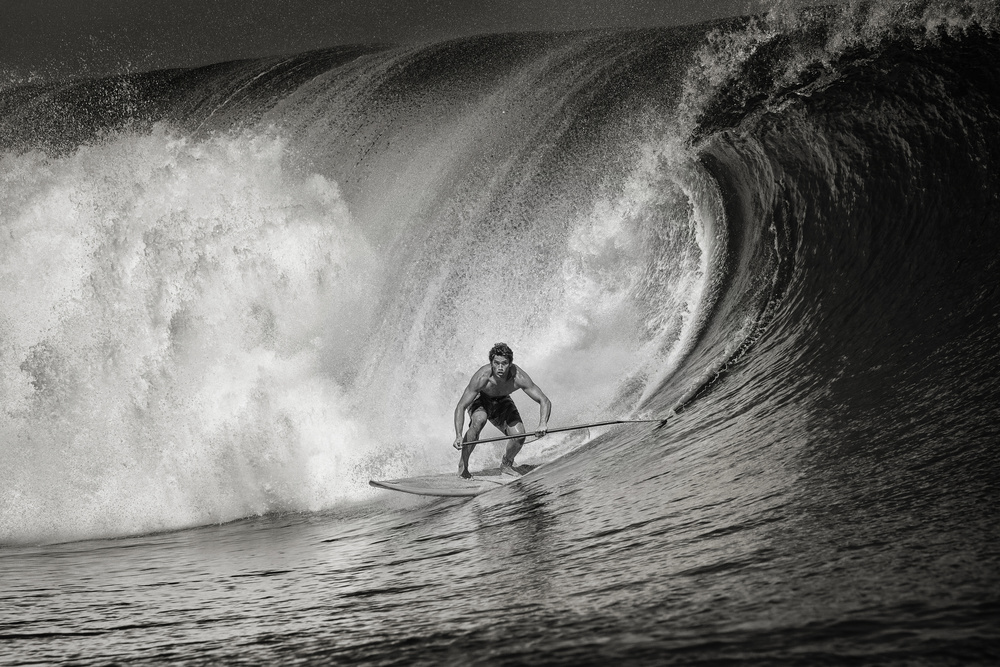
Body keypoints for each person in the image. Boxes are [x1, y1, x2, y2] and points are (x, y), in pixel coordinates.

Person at [453, 342, 551, 478]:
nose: (500, 367)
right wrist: (458, 434)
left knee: (519, 436)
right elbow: (461, 406)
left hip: (502, 401)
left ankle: (506, 464)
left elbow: (544, 401)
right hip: (481, 400)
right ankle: (463, 467)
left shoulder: (518, 377)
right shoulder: (482, 377)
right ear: (491, 363)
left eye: (504, 363)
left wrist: (542, 423)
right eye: (496, 363)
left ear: (510, 363)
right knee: (479, 420)